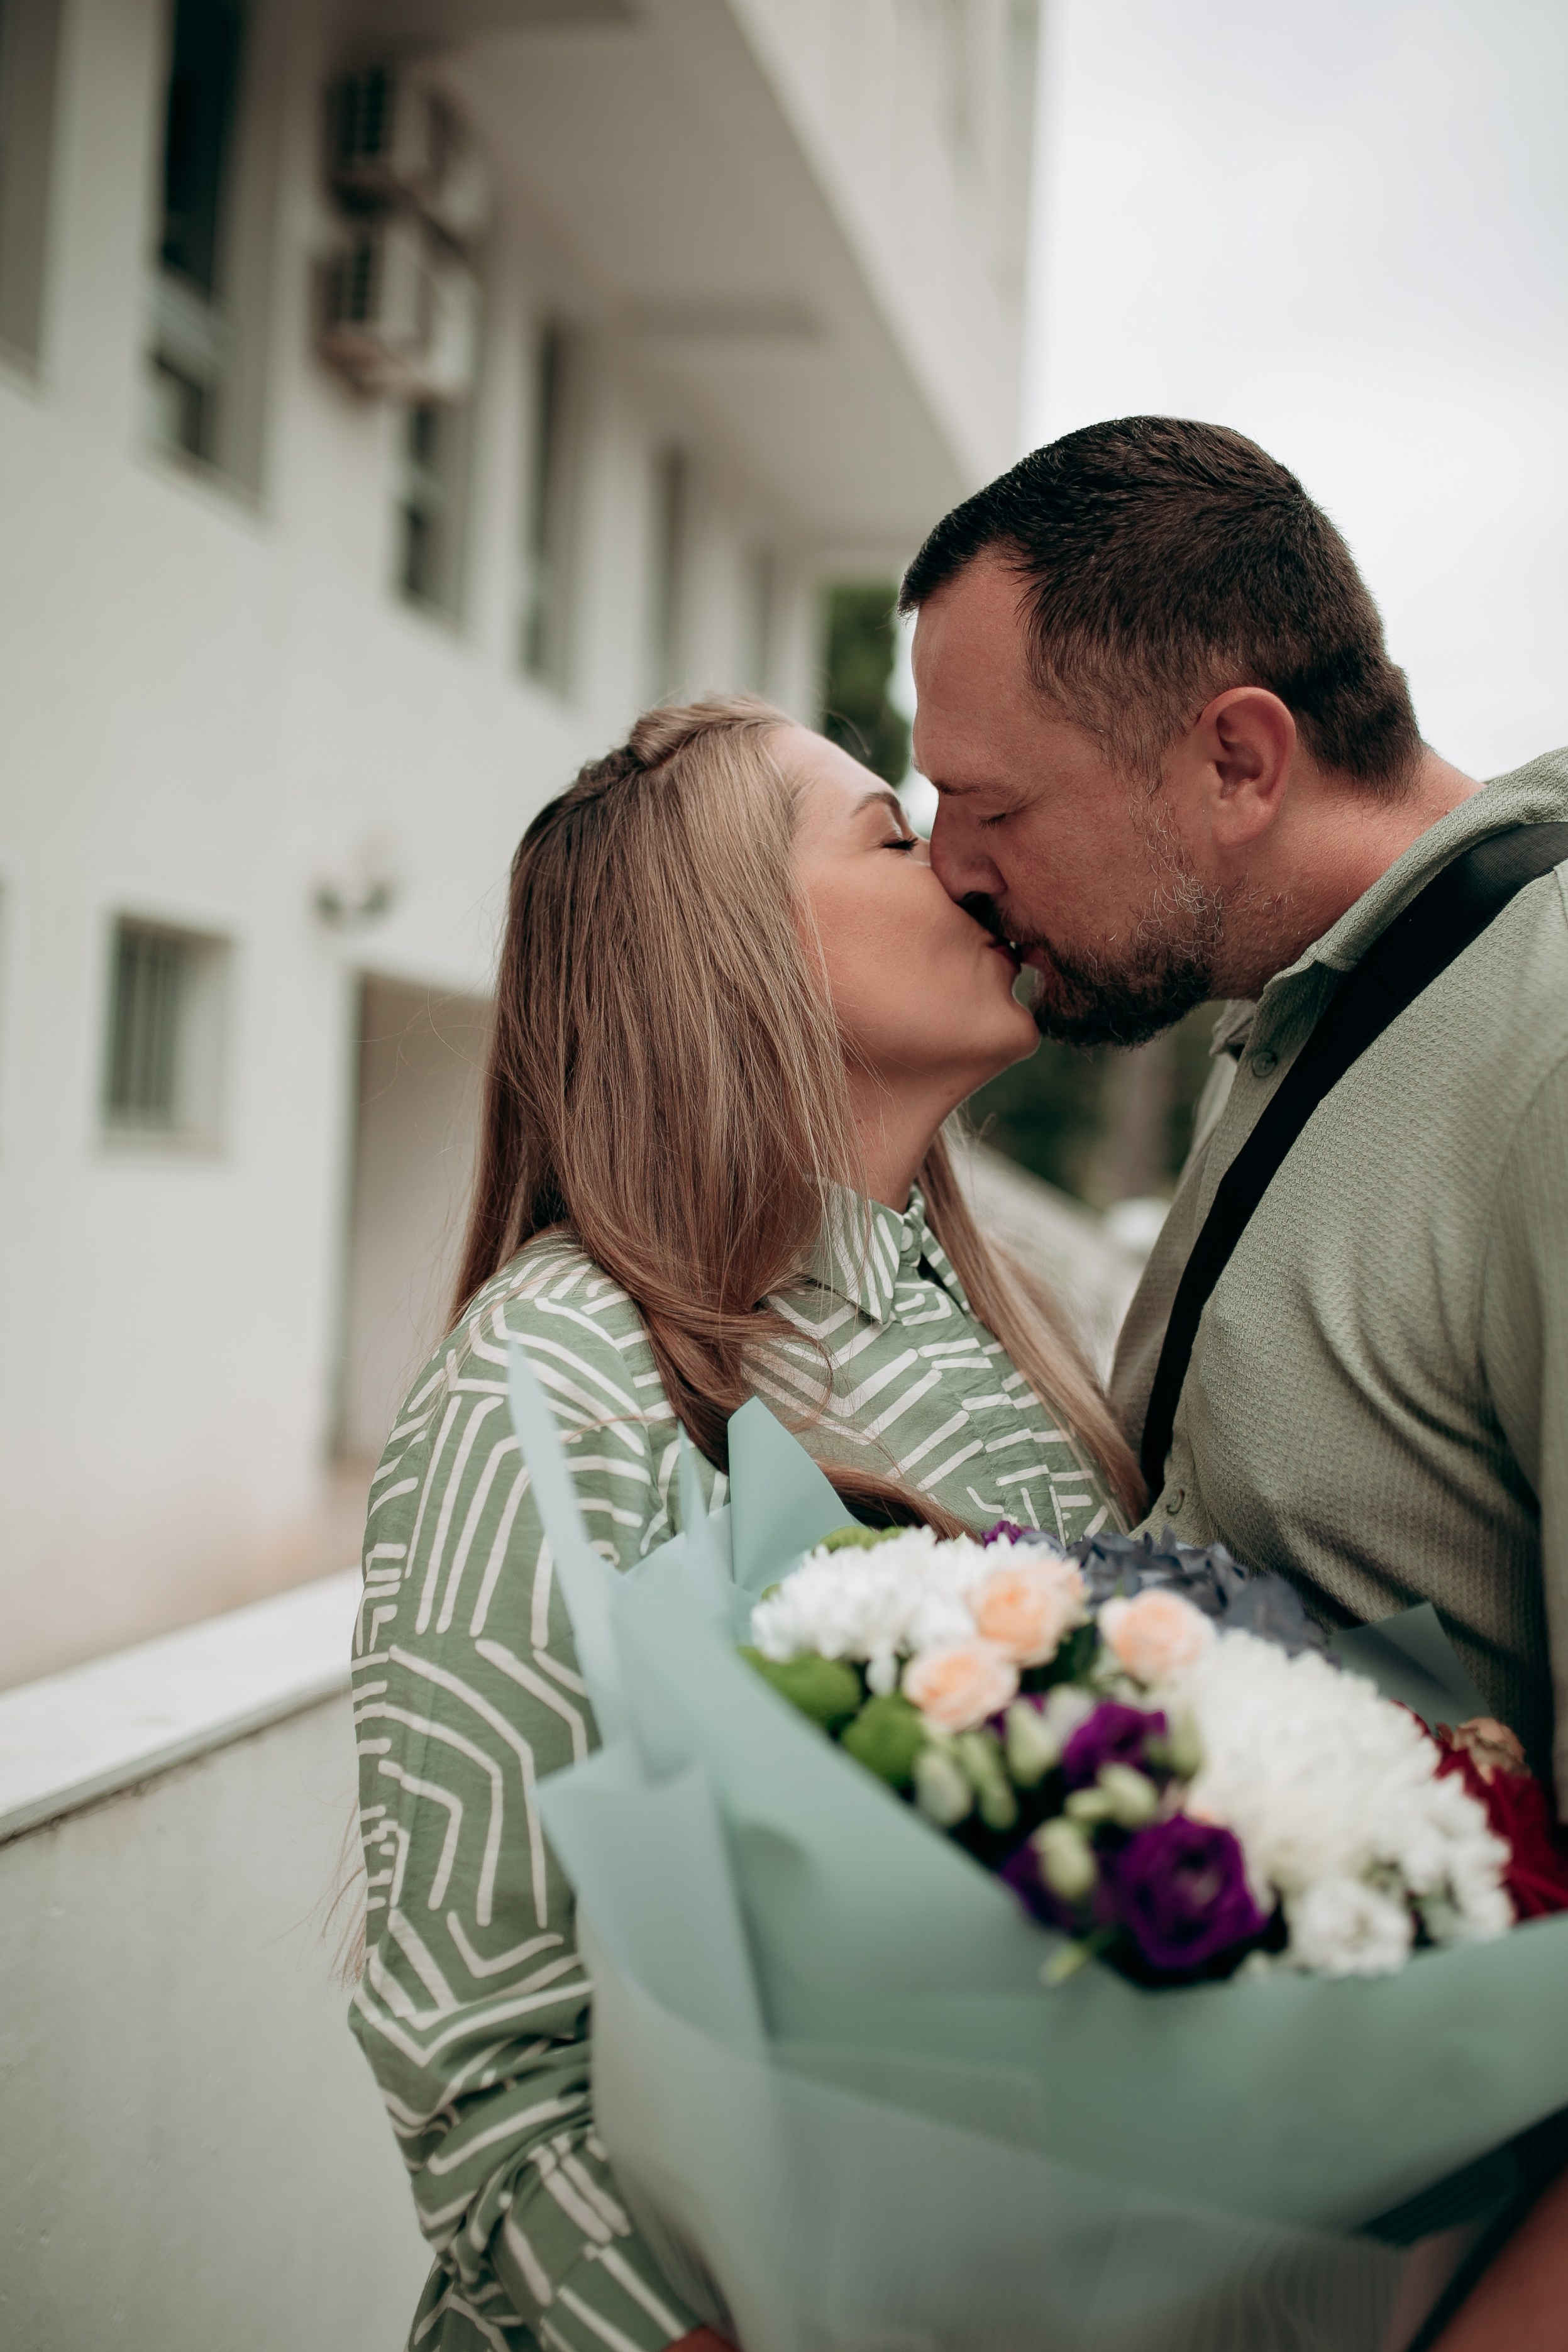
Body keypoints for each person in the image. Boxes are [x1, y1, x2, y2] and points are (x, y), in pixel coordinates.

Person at [348, 696, 1144, 2352]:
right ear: (733, 945)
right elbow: (478, 2049)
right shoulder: (553, 1367)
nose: (970, 869)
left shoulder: (1028, 1343)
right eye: (896, 837)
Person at [898, 414, 1568, 2350]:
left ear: (1237, 758)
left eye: (990, 805)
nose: (949, 866)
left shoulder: (1544, 1029)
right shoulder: (1299, 1016)